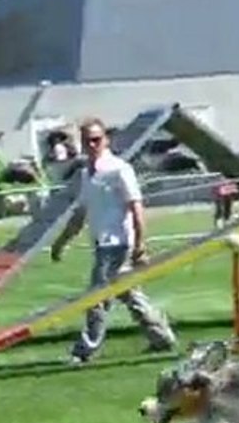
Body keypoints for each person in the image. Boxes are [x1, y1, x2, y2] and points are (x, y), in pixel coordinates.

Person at [51, 117, 177, 364]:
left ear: (106, 140)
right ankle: (162, 337)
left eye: (97, 139)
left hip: (117, 244)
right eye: (87, 141)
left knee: (97, 297)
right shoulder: (87, 174)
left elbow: (136, 207)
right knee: (130, 293)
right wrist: (61, 242)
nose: (92, 145)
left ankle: (85, 349)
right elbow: (80, 214)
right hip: (102, 243)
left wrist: (140, 243)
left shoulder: (120, 169)